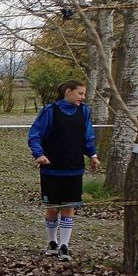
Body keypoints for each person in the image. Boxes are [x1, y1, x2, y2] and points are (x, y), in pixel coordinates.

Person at [28, 79, 99, 262]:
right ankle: (52, 242)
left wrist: (92, 155)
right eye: (80, 93)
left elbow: (88, 137)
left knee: (69, 208)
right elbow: (35, 135)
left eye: (84, 94)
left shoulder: (84, 111)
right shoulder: (50, 111)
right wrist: (39, 154)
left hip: (74, 169)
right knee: (52, 209)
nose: (83, 97)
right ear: (68, 92)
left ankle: (64, 246)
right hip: (51, 170)